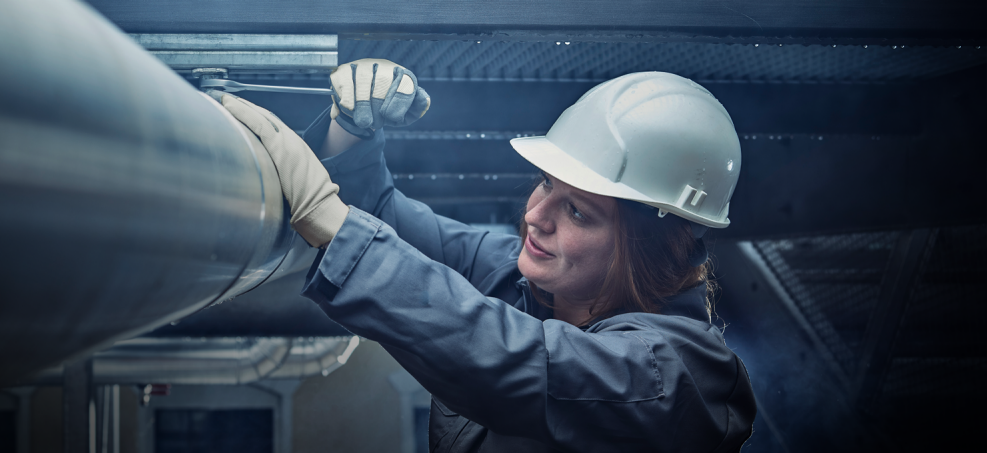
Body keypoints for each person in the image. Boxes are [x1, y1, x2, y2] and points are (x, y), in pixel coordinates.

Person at [212, 59, 757, 452]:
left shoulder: (675, 375)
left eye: (578, 213)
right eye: (545, 185)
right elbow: (382, 217)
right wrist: (351, 132)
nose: (536, 216)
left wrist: (337, 228)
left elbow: (520, 362)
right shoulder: (522, 280)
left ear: (651, 246)